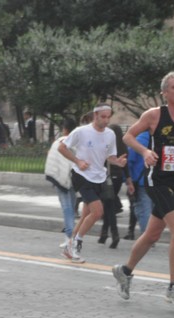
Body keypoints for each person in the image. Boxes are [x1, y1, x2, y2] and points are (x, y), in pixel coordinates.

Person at [112, 71, 174, 305]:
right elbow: (128, 137)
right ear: (164, 93)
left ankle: (124, 271)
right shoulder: (154, 115)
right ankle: (173, 288)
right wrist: (145, 151)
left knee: (152, 234)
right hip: (156, 180)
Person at [58, 103, 127, 263]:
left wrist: (118, 162)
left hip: (99, 177)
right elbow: (62, 148)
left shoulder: (110, 134)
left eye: (109, 117)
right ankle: (76, 245)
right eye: (103, 117)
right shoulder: (81, 132)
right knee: (97, 212)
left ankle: (68, 246)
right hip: (81, 175)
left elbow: (110, 157)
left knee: (86, 216)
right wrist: (78, 161)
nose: (106, 120)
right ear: (95, 116)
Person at [98, 124, 133, 249]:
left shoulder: (108, 146)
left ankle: (114, 234)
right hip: (118, 179)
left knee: (109, 207)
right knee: (108, 205)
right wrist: (129, 181)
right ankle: (103, 234)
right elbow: (126, 165)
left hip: (107, 178)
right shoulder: (123, 147)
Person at [45, 117, 77, 250]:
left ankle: (69, 237)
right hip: (75, 179)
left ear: (64, 129)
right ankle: (72, 237)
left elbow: (53, 162)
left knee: (67, 208)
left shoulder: (59, 142)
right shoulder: (77, 142)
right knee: (72, 207)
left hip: (61, 180)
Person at [124, 130, 153, 240]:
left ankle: (147, 238)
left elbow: (129, 161)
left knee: (144, 211)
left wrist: (128, 180)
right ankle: (151, 236)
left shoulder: (138, 140)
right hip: (156, 181)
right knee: (153, 211)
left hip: (141, 181)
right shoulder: (161, 139)